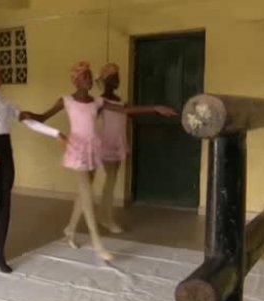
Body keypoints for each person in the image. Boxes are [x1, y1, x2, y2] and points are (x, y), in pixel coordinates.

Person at [19, 61, 176, 260]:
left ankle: (70, 229)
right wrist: (27, 115)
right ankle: (97, 243)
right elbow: (43, 116)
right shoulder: (66, 100)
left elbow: (126, 111)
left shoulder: (97, 103)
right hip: (77, 148)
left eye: (90, 77)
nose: (89, 80)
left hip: (93, 147)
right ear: (75, 80)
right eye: (84, 77)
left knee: (84, 192)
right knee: (87, 191)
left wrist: (155, 108)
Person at [0, 64, 66, 273]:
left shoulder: (7, 103)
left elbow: (30, 122)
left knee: (5, 203)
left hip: (5, 150)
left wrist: (56, 133)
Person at [97, 63, 127, 233]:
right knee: (110, 181)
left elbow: (121, 124)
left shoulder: (120, 100)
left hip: (118, 143)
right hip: (106, 145)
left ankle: (103, 215)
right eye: (113, 78)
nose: (116, 81)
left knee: (112, 181)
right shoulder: (101, 101)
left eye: (117, 78)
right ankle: (106, 218)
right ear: (106, 81)